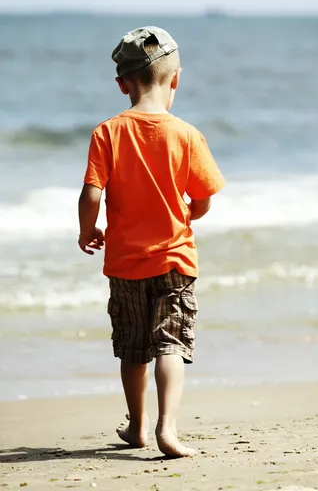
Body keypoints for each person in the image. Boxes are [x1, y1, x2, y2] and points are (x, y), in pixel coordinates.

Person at [78, 26, 225, 458]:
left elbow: (91, 193)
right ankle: (169, 428)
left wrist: (88, 232)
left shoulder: (107, 132)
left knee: (132, 347)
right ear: (175, 78)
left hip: (125, 262)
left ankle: (137, 425)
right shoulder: (187, 135)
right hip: (175, 260)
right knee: (170, 344)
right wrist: (190, 213)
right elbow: (202, 199)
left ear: (122, 84)